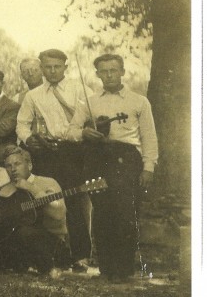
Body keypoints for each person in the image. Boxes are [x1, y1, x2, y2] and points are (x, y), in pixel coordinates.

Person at [66, 53, 158, 282]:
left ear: (122, 72)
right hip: (98, 159)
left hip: (127, 159)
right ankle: (106, 268)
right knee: (102, 211)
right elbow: (70, 131)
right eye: (104, 71)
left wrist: (148, 167)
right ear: (97, 74)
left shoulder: (138, 101)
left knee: (125, 212)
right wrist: (84, 133)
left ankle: (123, 269)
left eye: (113, 70)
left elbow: (149, 137)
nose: (108, 75)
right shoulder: (90, 101)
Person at [15, 48, 94, 270]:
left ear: (65, 67)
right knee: (44, 200)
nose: (52, 71)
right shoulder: (33, 95)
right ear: (41, 68)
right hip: (45, 152)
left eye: (57, 67)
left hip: (73, 151)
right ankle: (49, 254)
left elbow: (94, 116)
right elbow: (22, 124)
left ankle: (81, 255)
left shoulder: (80, 89)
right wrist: (29, 139)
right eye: (48, 67)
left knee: (73, 200)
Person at [0, 147, 68, 276]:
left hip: (50, 242)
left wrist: (31, 187)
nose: (13, 169)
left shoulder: (47, 182)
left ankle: (46, 267)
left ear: (29, 165)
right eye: (8, 166)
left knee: (24, 232)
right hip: (19, 241)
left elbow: (59, 214)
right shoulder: (6, 189)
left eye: (17, 164)